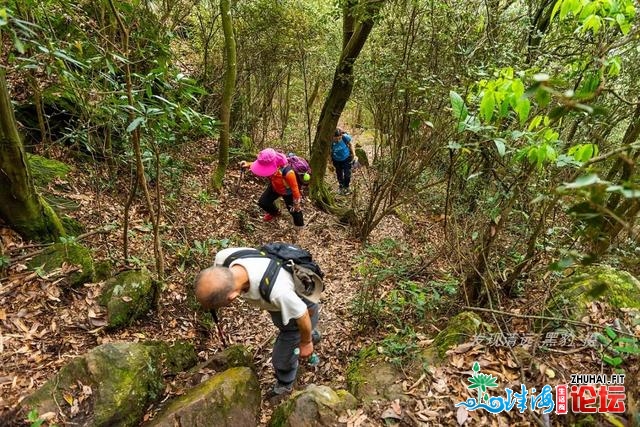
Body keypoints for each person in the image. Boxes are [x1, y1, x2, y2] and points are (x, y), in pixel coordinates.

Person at [194, 246, 321, 397]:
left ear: (233, 296)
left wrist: (305, 342)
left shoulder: (278, 292)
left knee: (283, 354)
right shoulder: (225, 258)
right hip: (278, 304)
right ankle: (312, 335)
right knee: (282, 323)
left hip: (302, 306)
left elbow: (302, 313)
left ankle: (285, 384)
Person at [240, 148, 304, 228]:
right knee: (263, 202)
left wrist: (296, 204)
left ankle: (300, 226)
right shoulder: (267, 161)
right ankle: (275, 213)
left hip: (288, 192)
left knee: (295, 211)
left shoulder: (288, 172)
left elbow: (295, 189)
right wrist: (248, 164)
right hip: (275, 187)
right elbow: (260, 165)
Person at [331, 128, 357, 195]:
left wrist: (354, 154)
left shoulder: (345, 137)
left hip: (346, 158)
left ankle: (347, 187)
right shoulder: (330, 142)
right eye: (336, 139)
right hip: (336, 160)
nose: (338, 140)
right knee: (339, 173)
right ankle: (341, 186)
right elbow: (328, 153)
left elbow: (351, 144)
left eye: (339, 138)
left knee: (347, 174)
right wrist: (329, 163)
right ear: (333, 137)